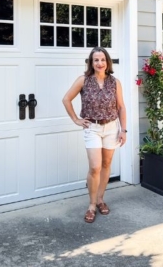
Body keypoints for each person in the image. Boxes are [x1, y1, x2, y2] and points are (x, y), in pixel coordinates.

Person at [62, 47, 127, 223]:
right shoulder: (83, 80)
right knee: (95, 167)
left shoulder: (115, 82)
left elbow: (121, 107)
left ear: (107, 62)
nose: (99, 63)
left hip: (112, 127)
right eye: (96, 60)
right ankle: (91, 204)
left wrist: (123, 130)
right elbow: (66, 99)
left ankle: (100, 200)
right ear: (91, 62)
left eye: (103, 59)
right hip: (92, 128)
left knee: (106, 164)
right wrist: (76, 119)